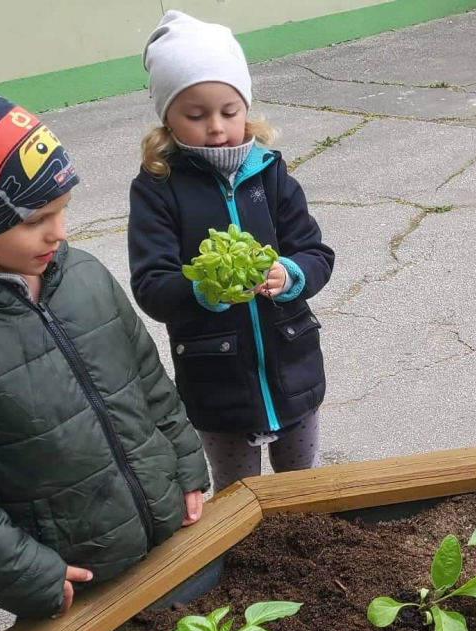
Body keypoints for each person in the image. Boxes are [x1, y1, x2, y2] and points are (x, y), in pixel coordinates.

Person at [0, 86, 208, 619]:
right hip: (76, 575)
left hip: (169, 528)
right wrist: (26, 572)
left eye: (62, 211)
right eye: (34, 220)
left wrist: (186, 466)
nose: (59, 233)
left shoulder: (84, 275)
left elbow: (148, 380)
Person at [129, 11, 335, 489]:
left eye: (229, 110)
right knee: (238, 495)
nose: (217, 127)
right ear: (167, 117)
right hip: (217, 381)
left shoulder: (270, 172)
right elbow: (151, 285)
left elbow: (316, 253)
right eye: (195, 115)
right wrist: (203, 290)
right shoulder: (158, 188)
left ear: (246, 106)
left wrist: (291, 274)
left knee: (302, 489)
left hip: (293, 368)